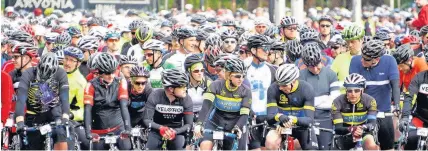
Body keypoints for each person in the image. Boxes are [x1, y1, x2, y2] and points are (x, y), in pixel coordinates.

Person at [349, 40, 400, 150]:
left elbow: (395, 85)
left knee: (389, 147)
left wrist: (397, 106)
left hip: (384, 111)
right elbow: (353, 89)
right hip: (365, 111)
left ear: (376, 59)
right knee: (370, 146)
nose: (362, 60)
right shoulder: (355, 61)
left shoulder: (389, 61)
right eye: (362, 56)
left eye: (366, 59)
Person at [15, 52, 70, 150]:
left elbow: (65, 98)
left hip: (53, 112)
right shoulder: (28, 73)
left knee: (62, 133)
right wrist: (19, 121)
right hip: (33, 114)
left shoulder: (61, 73)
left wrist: (65, 116)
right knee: (30, 143)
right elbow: (21, 99)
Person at [194, 58, 251, 150]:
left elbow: (245, 114)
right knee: (205, 146)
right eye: (237, 76)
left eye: (243, 76)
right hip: (215, 122)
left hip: (235, 124)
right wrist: (199, 123)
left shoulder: (246, 91)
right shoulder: (215, 86)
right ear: (228, 75)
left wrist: (238, 127)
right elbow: (206, 106)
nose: (241, 79)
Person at [83, 52, 132, 150]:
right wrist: (88, 132)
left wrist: (128, 128)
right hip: (99, 130)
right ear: (100, 73)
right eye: (107, 73)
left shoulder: (120, 82)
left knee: (126, 147)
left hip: (118, 127)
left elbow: (123, 106)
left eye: (113, 72)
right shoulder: (90, 85)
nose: (111, 76)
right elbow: (87, 110)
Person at [264, 64, 318, 150]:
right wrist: (279, 117)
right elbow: (270, 116)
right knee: (270, 142)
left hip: (301, 125)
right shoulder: (273, 89)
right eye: (279, 84)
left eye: (284, 85)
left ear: (294, 81)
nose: (280, 88)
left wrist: (293, 119)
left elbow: (310, 120)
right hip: (280, 126)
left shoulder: (306, 89)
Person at [299, 43, 340, 150]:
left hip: (325, 118)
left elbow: (334, 101)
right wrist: (324, 98)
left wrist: (310, 101)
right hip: (306, 118)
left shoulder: (331, 74)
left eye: (318, 64)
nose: (316, 69)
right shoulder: (300, 75)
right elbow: (299, 101)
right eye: (311, 67)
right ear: (305, 65)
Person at [144, 69, 193, 150]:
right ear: (171, 89)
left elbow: (189, 124)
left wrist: (175, 131)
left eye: (186, 86)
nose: (185, 89)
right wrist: (161, 128)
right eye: (182, 86)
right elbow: (146, 119)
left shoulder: (186, 99)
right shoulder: (155, 96)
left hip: (177, 132)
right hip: (157, 130)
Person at [331, 73, 378, 150]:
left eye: (356, 91)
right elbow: (338, 128)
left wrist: (362, 128)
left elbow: (372, 123)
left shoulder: (370, 101)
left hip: (363, 132)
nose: (353, 94)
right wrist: (351, 129)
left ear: (362, 91)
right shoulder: (337, 102)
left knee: (372, 146)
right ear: (346, 91)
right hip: (344, 133)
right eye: (350, 91)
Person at [246, 34, 277, 150]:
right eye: (264, 48)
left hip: (267, 116)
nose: (267, 52)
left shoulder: (272, 70)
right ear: (253, 50)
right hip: (250, 116)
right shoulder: (244, 67)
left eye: (269, 48)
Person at [63, 46, 89, 149]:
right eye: (66, 58)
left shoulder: (81, 82)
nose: (67, 63)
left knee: (85, 143)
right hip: (51, 114)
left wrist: (70, 115)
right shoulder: (56, 72)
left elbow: (83, 110)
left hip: (69, 119)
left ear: (78, 64)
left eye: (71, 60)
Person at [331, 25, 365, 93]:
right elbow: (330, 78)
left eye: (352, 42)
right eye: (347, 42)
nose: (350, 45)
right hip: (343, 99)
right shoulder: (340, 58)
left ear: (361, 40)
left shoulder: (368, 58)